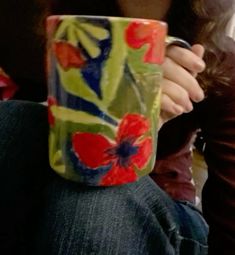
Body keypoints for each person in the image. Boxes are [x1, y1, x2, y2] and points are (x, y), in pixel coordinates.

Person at [0, 0, 234, 254]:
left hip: (167, 204)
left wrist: (142, 126)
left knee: (94, 200)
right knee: (11, 118)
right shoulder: (72, 25)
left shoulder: (219, 57)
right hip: (68, 168)